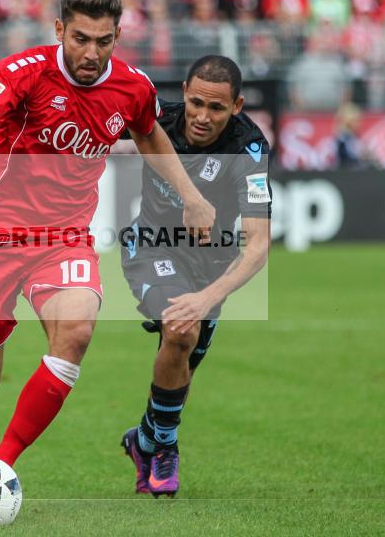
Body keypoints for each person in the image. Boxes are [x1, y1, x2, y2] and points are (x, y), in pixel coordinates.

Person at [0, 0, 215, 498]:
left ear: (117, 36)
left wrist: (191, 194)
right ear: (60, 30)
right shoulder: (25, 72)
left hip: (64, 239)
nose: (91, 52)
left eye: (104, 41)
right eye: (80, 38)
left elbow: (149, 133)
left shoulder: (131, 86)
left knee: (75, 333)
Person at [119, 55, 271, 497]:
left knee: (181, 364)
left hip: (212, 266)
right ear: (183, 92)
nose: (203, 117)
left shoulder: (249, 150)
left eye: (217, 108)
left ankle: (144, 440)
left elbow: (258, 244)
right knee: (180, 329)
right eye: (196, 103)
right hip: (152, 245)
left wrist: (209, 297)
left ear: (237, 106)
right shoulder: (157, 116)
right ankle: (165, 449)